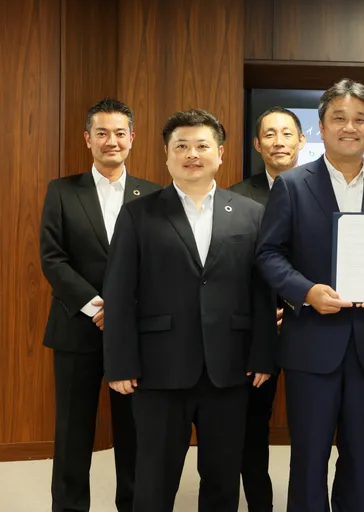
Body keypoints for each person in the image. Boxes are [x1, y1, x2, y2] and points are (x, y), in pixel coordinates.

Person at [103, 109, 276, 512]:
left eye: (202, 145)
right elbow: (120, 291)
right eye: (181, 146)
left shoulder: (250, 213)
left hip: (230, 368)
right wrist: (120, 363)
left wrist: (263, 354)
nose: (192, 154)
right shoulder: (138, 213)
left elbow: (262, 291)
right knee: (154, 480)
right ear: (166, 154)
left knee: (222, 479)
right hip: (158, 369)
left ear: (220, 153)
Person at [256, 79, 364, 512]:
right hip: (311, 343)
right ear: (321, 127)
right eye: (339, 118)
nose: (349, 127)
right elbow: (268, 254)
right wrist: (306, 292)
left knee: (360, 455)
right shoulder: (292, 185)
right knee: (309, 456)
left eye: (360, 119)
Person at [40, 98, 160, 512]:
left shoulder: (154, 195)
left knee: (135, 433)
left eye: (120, 133)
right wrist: (97, 307)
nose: (112, 141)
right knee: (72, 433)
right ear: (88, 139)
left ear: (132, 138)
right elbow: (53, 259)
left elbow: (160, 265)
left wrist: (124, 310)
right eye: (102, 133)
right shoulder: (61, 191)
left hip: (135, 334)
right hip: (76, 328)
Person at [230, 106, 306, 511]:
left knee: (311, 425)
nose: (279, 142)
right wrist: (266, 312)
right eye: (270, 135)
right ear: (258, 144)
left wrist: (293, 303)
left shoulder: (318, 190)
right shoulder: (236, 197)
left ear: (302, 141)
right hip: (257, 330)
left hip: (310, 323)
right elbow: (236, 268)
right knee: (252, 425)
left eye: (287, 134)